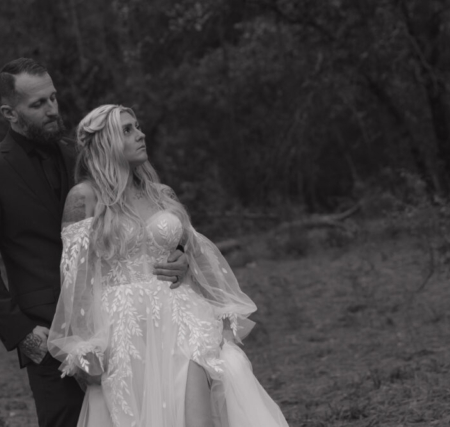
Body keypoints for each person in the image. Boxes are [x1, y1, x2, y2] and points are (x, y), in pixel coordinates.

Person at [0, 59, 188, 427]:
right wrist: (24, 336)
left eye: (53, 98)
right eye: (38, 104)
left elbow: (140, 215)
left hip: (123, 322)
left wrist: (179, 256)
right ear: (9, 112)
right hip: (50, 333)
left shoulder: (85, 156)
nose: (52, 110)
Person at [48, 104, 290, 427]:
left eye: (138, 126)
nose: (141, 134)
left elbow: (196, 249)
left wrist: (185, 260)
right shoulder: (85, 197)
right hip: (126, 328)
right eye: (128, 130)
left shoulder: (160, 194)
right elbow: (74, 279)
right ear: (105, 142)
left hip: (183, 314)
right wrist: (84, 345)